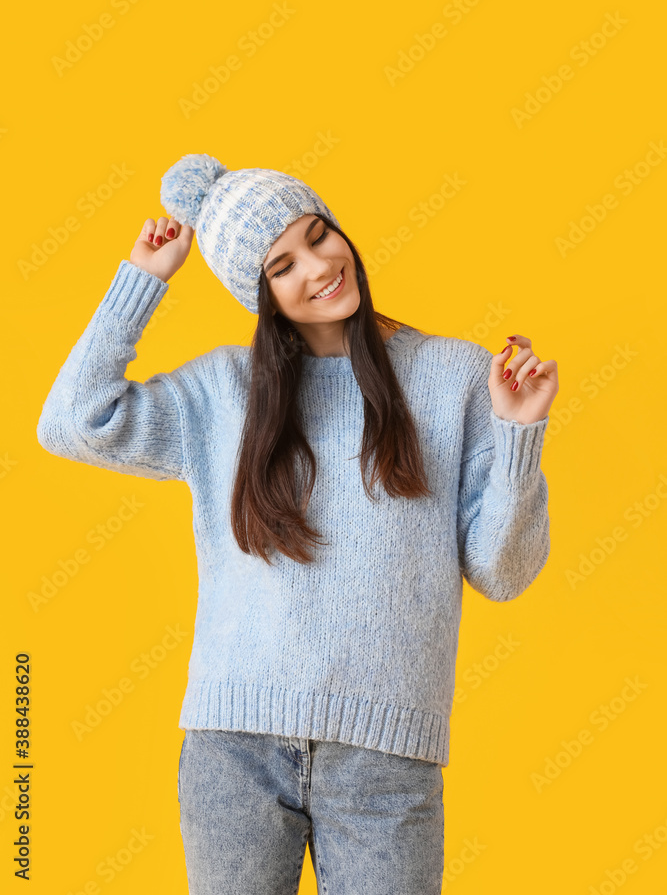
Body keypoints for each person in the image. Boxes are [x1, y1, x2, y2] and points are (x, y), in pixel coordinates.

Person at [36, 153, 558, 894]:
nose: (318, 268)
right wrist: (141, 281)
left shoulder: (452, 376)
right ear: (261, 294)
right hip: (232, 753)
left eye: (319, 235)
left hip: (384, 756)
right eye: (281, 265)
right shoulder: (221, 391)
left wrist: (517, 438)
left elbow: (503, 574)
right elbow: (70, 423)